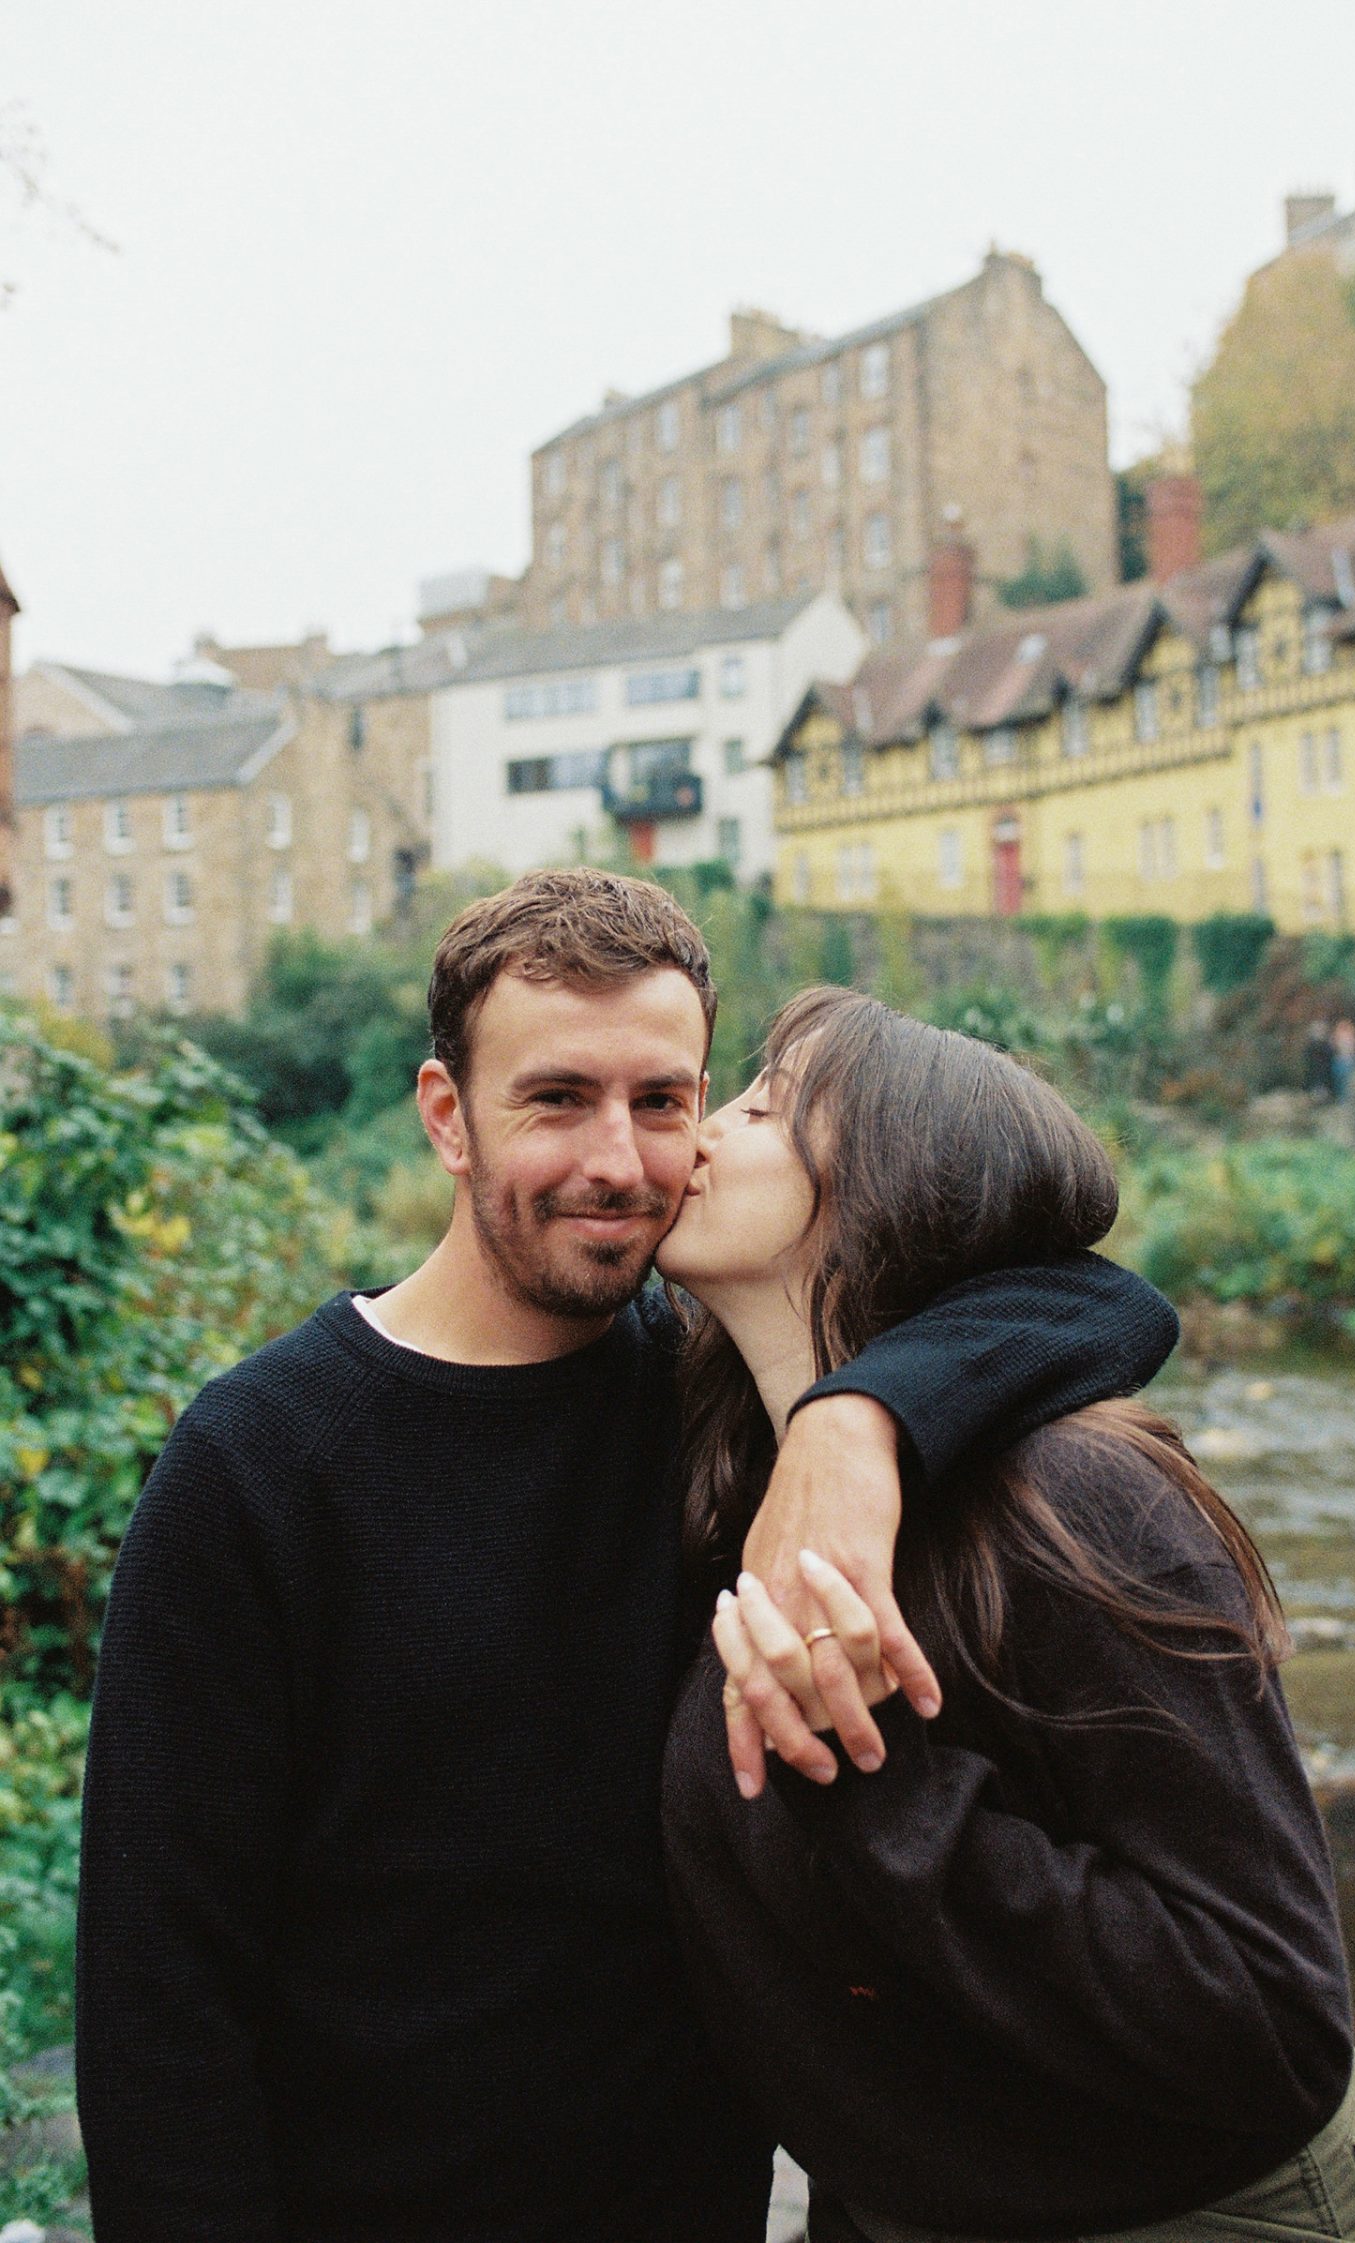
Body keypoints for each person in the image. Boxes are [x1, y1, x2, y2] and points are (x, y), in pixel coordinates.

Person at [75, 871, 1179, 2243]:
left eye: (660, 1101)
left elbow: (1107, 1303)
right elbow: (158, 1990)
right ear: (447, 1114)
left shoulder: (720, 1399)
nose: (618, 1160)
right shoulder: (259, 1461)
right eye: (556, 1098)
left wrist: (857, 1420)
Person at [661, 985, 1355, 2243]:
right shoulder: (721, 1469)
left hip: (1199, 2210)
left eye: (762, 1104)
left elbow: (1270, 2018)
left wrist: (870, 1782)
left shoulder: (1076, 1504)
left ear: (892, 1190)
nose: (697, 1130)